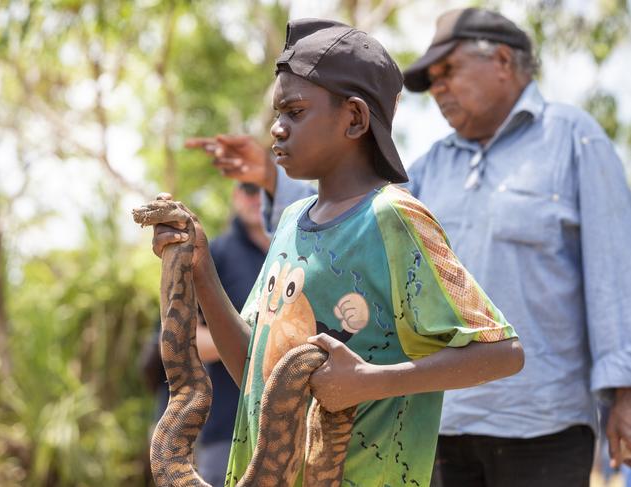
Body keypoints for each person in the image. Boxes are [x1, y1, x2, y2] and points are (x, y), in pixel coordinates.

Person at [191, 8, 631, 487]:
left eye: (448, 71)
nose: (437, 88)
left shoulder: (572, 139)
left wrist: (624, 392)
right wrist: (262, 187)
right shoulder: (433, 163)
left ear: (503, 60)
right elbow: (347, 223)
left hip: (540, 419)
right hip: (441, 422)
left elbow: (614, 271)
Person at [153, 18, 524, 487]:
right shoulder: (291, 221)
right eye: (278, 113)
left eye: (295, 111)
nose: (277, 128)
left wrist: (369, 381)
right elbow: (255, 368)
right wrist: (201, 270)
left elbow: (504, 352)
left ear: (353, 118)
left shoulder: (396, 217)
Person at [141, 182, 269, 486]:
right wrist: (262, 344)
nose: (257, 197)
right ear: (236, 196)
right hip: (223, 428)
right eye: (249, 189)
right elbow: (179, 338)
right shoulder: (218, 251)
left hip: (285, 428)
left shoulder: (293, 247)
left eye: (266, 188)